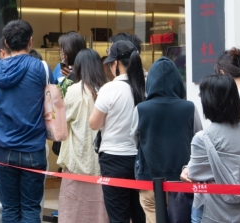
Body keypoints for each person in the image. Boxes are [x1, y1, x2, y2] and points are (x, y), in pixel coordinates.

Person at [0, 21, 47, 222]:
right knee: (30, 209)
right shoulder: (40, 67)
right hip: (33, 146)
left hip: (3, 146)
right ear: (31, 41)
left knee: (9, 209)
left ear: (6, 42)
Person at [183, 75, 240, 222]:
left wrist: (185, 170)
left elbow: (194, 174)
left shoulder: (203, 138)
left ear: (209, 101)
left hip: (211, 212)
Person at [131, 57, 200, 222]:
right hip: (182, 181)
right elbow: (198, 138)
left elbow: (134, 139)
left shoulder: (141, 109)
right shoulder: (189, 107)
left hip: (148, 179)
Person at [89, 40, 146, 223]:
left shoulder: (110, 89)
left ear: (115, 63)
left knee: (118, 217)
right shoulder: (145, 86)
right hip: (141, 160)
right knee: (140, 214)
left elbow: (94, 124)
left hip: (113, 160)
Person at [52, 49, 108, 223]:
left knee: (73, 210)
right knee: (99, 211)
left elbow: (61, 121)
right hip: (101, 161)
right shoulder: (106, 90)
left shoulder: (75, 91)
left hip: (76, 160)